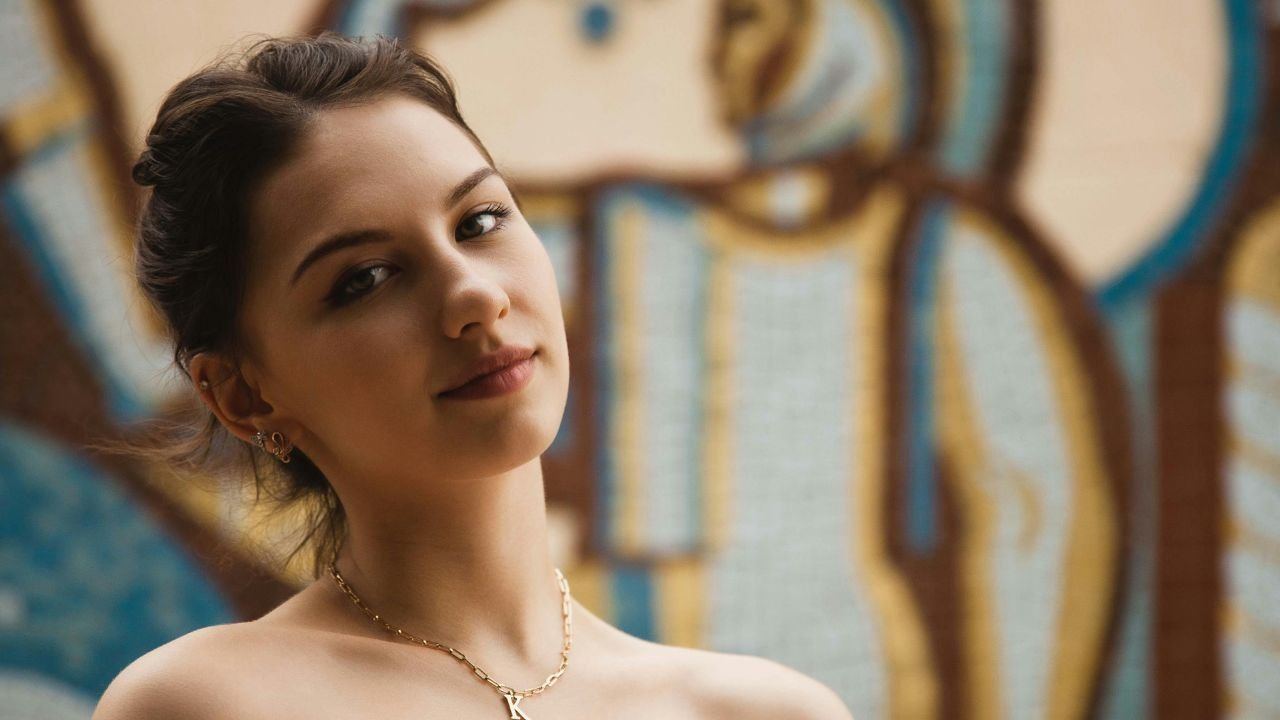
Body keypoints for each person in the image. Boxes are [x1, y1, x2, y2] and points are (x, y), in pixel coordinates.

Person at [91, 32, 852, 719]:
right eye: (367, 278)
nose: (476, 297)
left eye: (480, 222)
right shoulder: (207, 705)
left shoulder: (765, 712)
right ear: (245, 394)